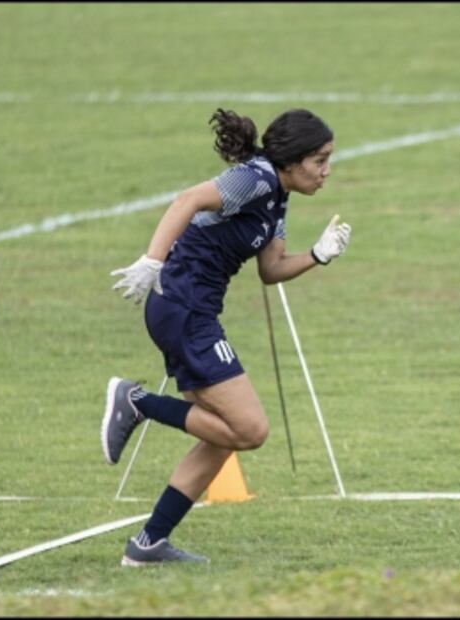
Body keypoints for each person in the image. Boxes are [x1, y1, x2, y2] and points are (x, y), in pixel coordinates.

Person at [104, 108, 351, 566]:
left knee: (224, 435)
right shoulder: (256, 178)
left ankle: (148, 543)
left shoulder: (278, 199)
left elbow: (271, 270)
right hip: (184, 307)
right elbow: (186, 200)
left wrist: (318, 255)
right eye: (320, 160)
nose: (326, 171)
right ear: (293, 160)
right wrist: (152, 261)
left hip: (191, 311)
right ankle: (137, 402)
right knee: (251, 429)